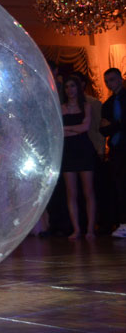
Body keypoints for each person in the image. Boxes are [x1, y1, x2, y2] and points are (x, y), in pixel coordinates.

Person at [61, 76, 97, 240]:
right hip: (68, 151)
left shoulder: (86, 106)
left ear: (78, 88)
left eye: (73, 86)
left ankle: (90, 229)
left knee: (88, 191)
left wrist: (68, 128)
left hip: (84, 150)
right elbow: (60, 131)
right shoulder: (61, 108)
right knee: (71, 193)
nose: (70, 90)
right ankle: (76, 229)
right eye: (67, 87)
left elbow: (85, 127)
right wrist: (75, 129)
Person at [100, 68, 126, 238]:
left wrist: (114, 125)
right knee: (120, 187)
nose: (110, 83)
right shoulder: (108, 104)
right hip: (117, 151)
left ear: (120, 79)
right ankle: (123, 223)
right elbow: (103, 130)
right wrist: (117, 124)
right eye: (107, 81)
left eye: (112, 79)